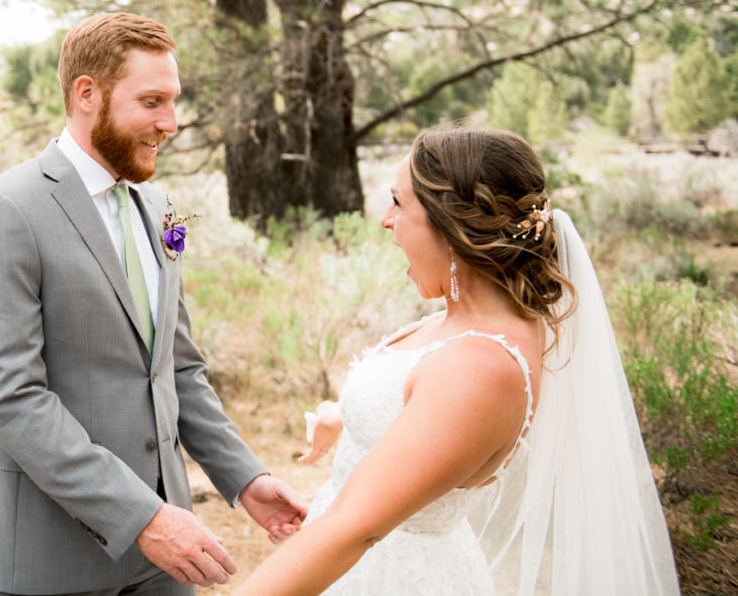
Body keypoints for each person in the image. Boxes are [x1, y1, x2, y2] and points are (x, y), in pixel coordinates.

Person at [0, 12, 307, 596]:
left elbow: (177, 368)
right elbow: (11, 399)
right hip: (49, 560)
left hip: (166, 561)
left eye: (174, 101)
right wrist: (142, 517)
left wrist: (244, 479)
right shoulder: (5, 210)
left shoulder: (159, 205)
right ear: (87, 94)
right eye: (152, 101)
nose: (171, 122)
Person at [236, 128, 680, 595]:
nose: (386, 220)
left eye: (398, 202)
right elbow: (421, 418)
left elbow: (354, 527)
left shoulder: (480, 367)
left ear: (451, 224)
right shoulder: (468, 323)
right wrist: (343, 417)